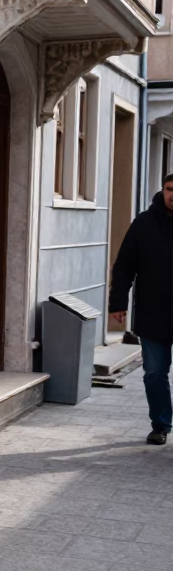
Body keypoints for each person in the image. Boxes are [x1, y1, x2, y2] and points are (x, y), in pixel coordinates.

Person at [109, 172, 173, 445]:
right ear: (162, 190)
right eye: (170, 189)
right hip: (152, 312)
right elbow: (124, 266)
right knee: (154, 373)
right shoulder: (143, 224)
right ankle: (160, 424)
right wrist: (117, 303)